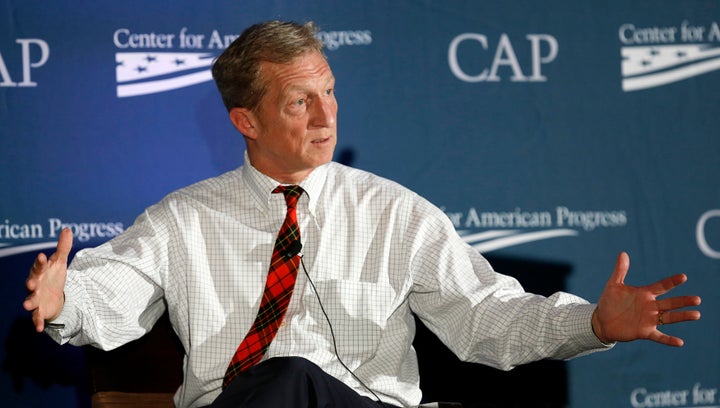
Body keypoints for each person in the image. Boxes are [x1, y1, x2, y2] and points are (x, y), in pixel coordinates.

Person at [23, 20, 701, 408]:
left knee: (291, 376)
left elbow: (484, 315)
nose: (327, 115)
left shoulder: (393, 213)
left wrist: (590, 322)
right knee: (279, 379)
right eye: (299, 102)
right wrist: (64, 298)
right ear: (244, 120)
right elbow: (113, 293)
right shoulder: (184, 220)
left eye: (329, 91)